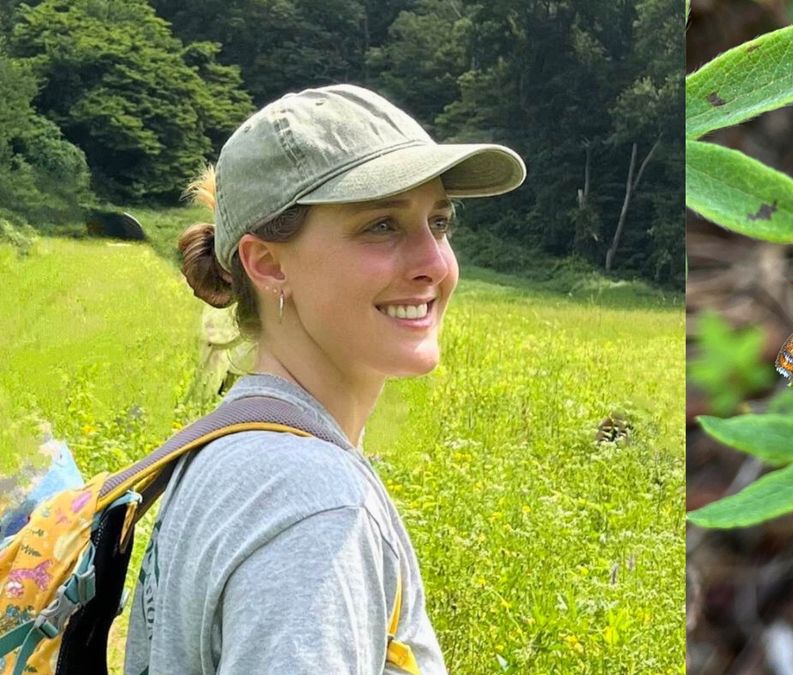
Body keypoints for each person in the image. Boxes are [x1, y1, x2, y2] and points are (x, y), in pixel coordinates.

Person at [123, 83, 525, 675]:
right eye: (382, 225)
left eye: (439, 222)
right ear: (269, 263)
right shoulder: (313, 505)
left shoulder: (230, 449)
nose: (434, 264)